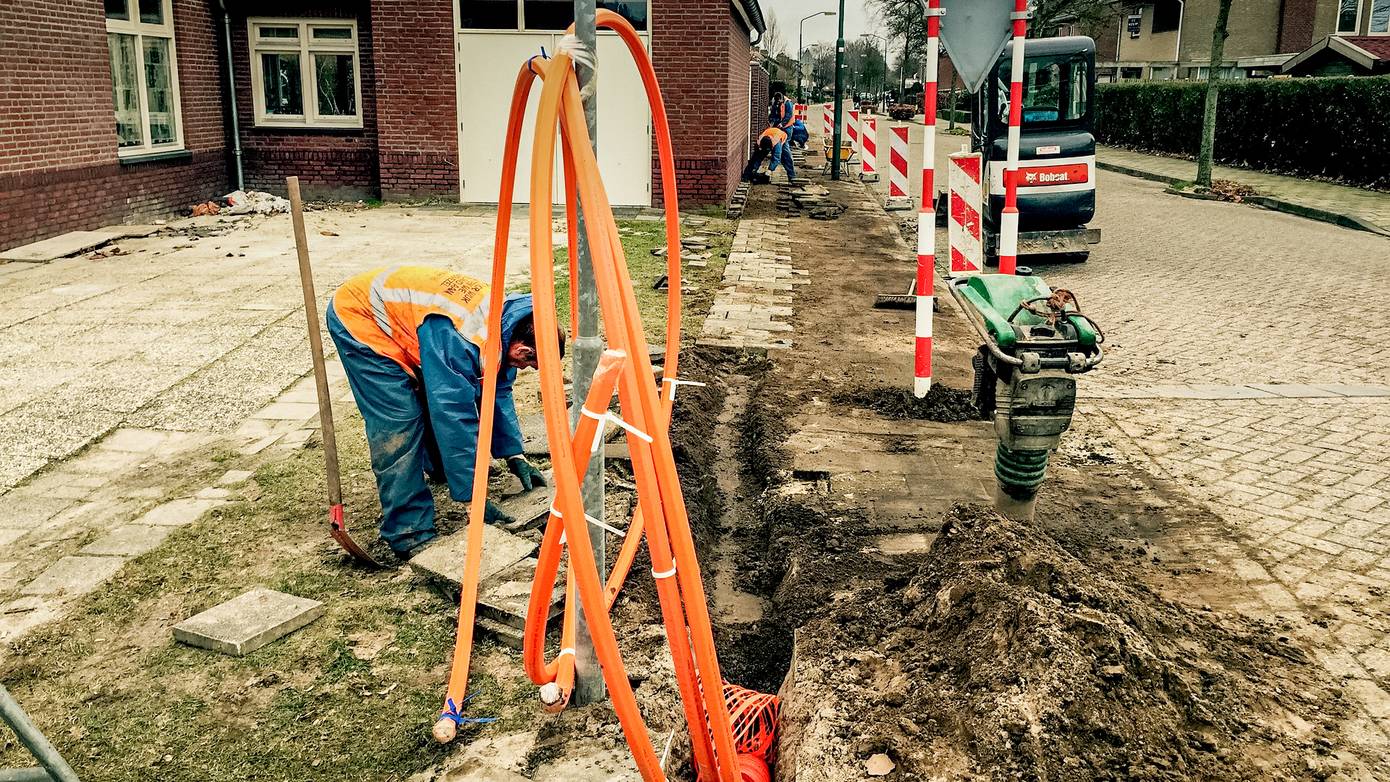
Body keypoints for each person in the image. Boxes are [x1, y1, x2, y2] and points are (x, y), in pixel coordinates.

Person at [327, 265, 560, 560]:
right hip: (361, 318)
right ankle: (409, 532)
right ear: (523, 348)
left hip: (411, 320)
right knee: (400, 420)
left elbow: (496, 392)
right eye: (527, 362)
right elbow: (453, 416)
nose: (524, 369)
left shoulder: (506, 325)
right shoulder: (462, 335)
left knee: (437, 396)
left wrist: (514, 455)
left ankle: (440, 469)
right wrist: (472, 498)